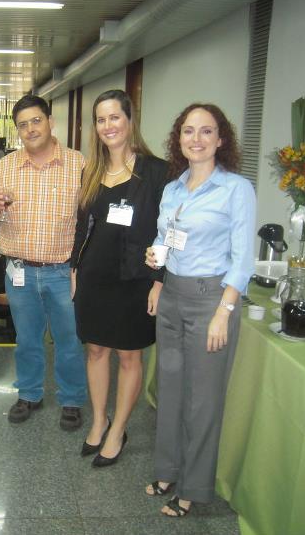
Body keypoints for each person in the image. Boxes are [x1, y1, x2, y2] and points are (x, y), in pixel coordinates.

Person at [144, 104, 255, 517]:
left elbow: (243, 259)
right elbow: (165, 237)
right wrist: (156, 265)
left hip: (211, 300)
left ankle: (193, 487)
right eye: (188, 131)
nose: (196, 139)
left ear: (221, 139)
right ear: (179, 139)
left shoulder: (236, 189)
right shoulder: (173, 188)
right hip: (172, 294)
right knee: (170, 389)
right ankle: (167, 470)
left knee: (202, 400)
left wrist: (223, 312)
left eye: (206, 131)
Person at [70, 90, 169, 467]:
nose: (108, 126)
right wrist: (75, 268)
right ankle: (99, 420)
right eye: (101, 119)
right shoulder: (92, 170)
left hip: (136, 278)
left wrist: (159, 279)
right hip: (95, 275)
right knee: (96, 350)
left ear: (130, 120)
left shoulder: (156, 171)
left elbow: (169, 228)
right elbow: (82, 224)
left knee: (129, 355)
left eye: (115, 117)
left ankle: (119, 430)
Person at [0, 95, 87, 430]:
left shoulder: (78, 165)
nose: (30, 129)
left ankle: (71, 400)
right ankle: (29, 393)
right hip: (20, 271)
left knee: (69, 341)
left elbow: (91, 218)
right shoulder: (6, 166)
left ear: (50, 122)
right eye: (23, 125)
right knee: (27, 340)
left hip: (63, 272)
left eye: (36, 121)